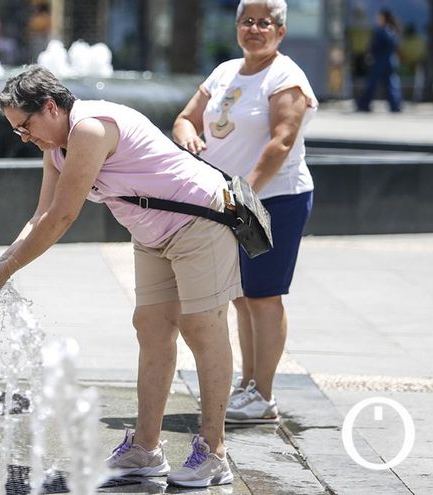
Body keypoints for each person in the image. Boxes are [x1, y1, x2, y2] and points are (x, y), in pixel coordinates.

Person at [0, 65, 240, 488]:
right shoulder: (55, 147)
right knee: (151, 328)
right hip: (153, 232)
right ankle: (146, 450)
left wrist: (9, 269)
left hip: (199, 219)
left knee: (201, 327)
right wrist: (2, 261)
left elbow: (62, 216)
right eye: (17, 131)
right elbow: (41, 214)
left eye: (26, 126)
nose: (25, 137)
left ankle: (215, 451)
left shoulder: (90, 130)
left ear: (50, 106)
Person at [173, 0, 316, 424]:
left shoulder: (286, 76)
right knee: (241, 297)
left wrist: (244, 194)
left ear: (281, 31)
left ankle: (264, 395)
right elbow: (185, 119)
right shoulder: (224, 72)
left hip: (274, 200)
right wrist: (187, 138)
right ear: (237, 26)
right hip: (229, 201)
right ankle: (248, 384)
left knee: (265, 296)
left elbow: (282, 142)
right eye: (247, 21)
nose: (255, 29)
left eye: (265, 22)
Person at [356, 8, 402, 112]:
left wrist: (370, 51)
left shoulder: (381, 31)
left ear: (383, 18)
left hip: (380, 63)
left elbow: (373, 47)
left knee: (371, 84)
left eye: (379, 17)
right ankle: (396, 105)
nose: (376, 19)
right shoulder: (392, 31)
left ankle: (364, 104)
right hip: (390, 62)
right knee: (391, 85)